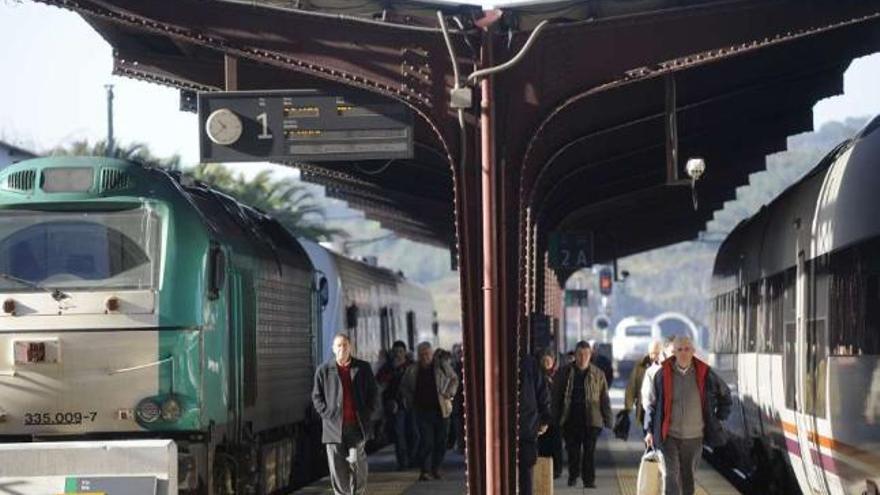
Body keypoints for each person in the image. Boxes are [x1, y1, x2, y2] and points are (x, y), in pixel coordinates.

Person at [644, 336, 732, 495]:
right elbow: (652, 404)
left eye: (687, 349)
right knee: (671, 475)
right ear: (673, 353)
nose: (683, 353)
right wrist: (649, 430)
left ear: (693, 351)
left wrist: (717, 418)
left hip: (694, 437)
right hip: (668, 435)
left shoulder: (705, 374)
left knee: (688, 478)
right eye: (679, 350)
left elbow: (725, 394)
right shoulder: (662, 375)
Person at [311, 333, 379, 495]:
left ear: (350, 348)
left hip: (356, 425)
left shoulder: (362, 368)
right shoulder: (324, 370)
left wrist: (368, 412)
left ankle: (358, 492)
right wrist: (327, 414)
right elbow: (316, 396)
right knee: (337, 465)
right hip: (333, 426)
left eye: (345, 345)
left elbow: (373, 392)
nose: (342, 349)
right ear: (333, 349)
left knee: (357, 461)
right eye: (339, 346)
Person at [552, 341, 613, 489]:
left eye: (586, 354)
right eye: (580, 354)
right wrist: (554, 418)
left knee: (589, 452)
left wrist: (608, 419)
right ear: (575, 355)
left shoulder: (598, 374)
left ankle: (589, 480)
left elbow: (604, 398)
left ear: (590, 355)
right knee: (573, 451)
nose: (583, 357)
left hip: (592, 420)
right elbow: (556, 396)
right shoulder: (564, 373)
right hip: (570, 418)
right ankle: (573, 476)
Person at [400, 342, 460, 481]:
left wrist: (449, 393)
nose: (424, 357)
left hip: (441, 410)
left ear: (432, 355)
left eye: (427, 354)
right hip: (422, 410)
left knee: (441, 441)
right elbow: (404, 387)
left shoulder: (441, 366)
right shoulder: (412, 370)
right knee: (426, 441)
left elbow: (454, 378)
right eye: (421, 355)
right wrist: (410, 400)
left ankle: (436, 467)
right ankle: (425, 471)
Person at [376, 340, 416, 470]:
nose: (398, 354)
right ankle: (403, 463)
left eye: (400, 351)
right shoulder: (387, 368)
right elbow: (378, 382)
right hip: (395, 406)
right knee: (399, 435)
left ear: (405, 352)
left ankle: (412, 459)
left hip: (411, 405)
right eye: (396, 352)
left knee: (413, 433)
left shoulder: (411, 366)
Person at [519, 353, 552, 495]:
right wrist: (545, 419)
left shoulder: (491, 356)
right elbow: (543, 394)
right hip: (528, 424)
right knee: (526, 469)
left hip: (519, 426)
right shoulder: (529, 363)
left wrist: (545, 418)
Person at [623, 340, 664, 435]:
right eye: (652, 353)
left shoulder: (667, 367)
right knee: (648, 435)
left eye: (658, 353)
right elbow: (632, 387)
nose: (655, 357)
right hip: (644, 409)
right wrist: (627, 408)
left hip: (661, 410)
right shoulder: (640, 366)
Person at [536, 348, 563, 478]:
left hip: (556, 417)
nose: (547, 362)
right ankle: (544, 471)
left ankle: (556, 469)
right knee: (543, 446)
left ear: (554, 361)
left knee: (556, 444)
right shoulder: (538, 376)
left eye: (549, 359)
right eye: (544, 360)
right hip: (543, 417)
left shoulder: (558, 376)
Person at [449, 343, 465, 452]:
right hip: (457, 401)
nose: (460, 355)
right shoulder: (453, 368)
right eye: (458, 352)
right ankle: (460, 444)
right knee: (458, 423)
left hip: (461, 399)